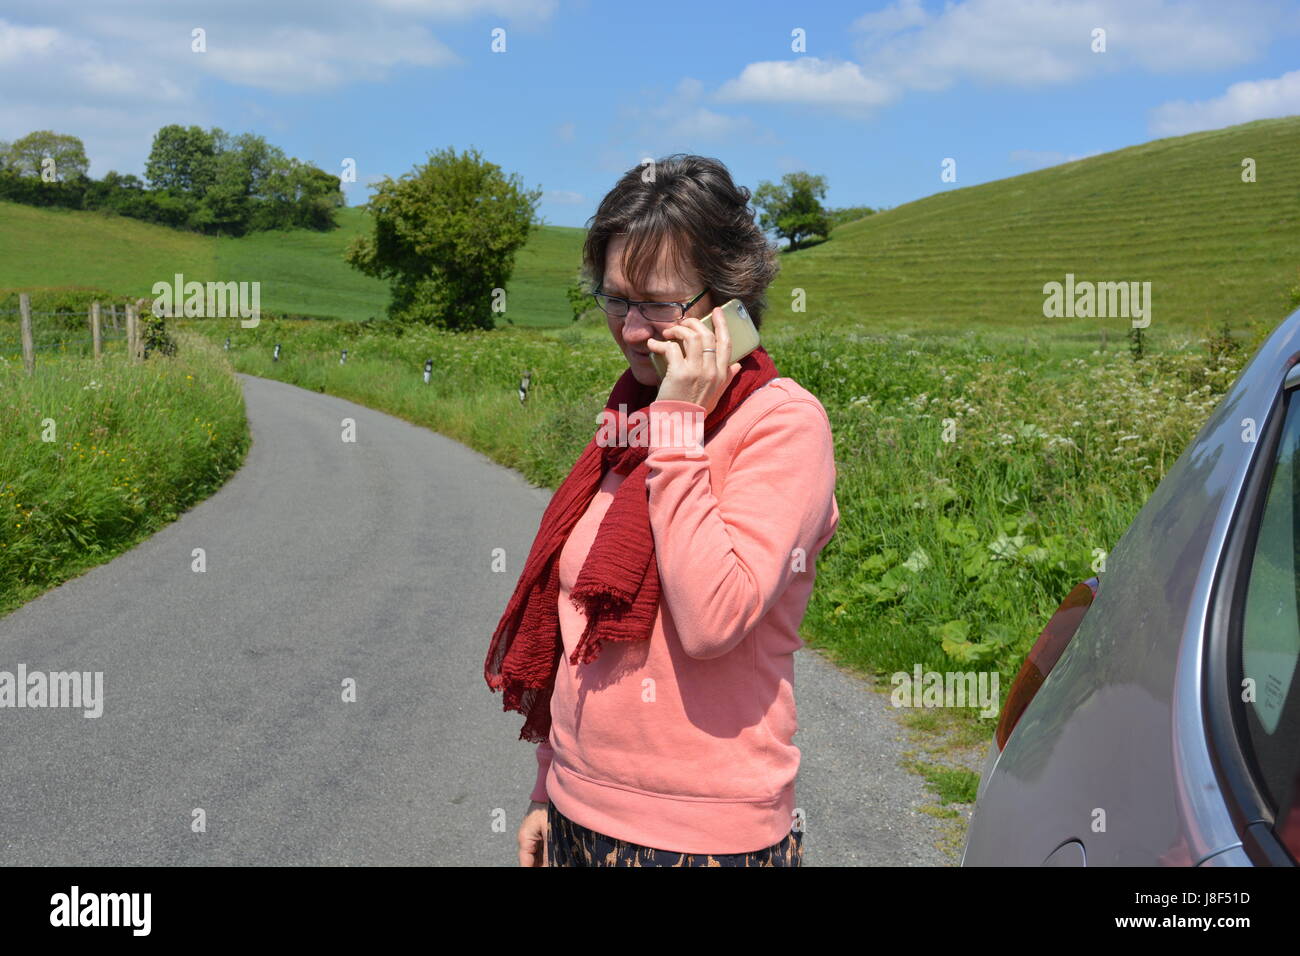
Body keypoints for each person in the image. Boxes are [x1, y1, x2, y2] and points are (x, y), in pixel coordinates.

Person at [484, 153, 839, 867]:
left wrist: (678, 424)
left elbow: (713, 621)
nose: (632, 329)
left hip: (703, 840)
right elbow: (576, 625)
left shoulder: (782, 425)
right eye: (616, 298)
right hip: (580, 815)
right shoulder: (626, 425)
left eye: (658, 303)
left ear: (728, 301)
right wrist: (546, 789)